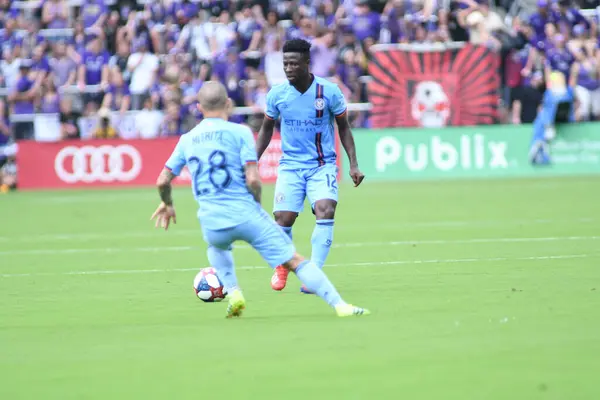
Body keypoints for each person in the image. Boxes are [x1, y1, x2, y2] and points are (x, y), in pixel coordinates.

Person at [150, 81, 369, 319]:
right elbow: (253, 179)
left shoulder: (187, 139)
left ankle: (234, 293)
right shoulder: (240, 132)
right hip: (245, 214)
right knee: (295, 260)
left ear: (199, 108)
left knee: (217, 248)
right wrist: (256, 207)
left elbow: (162, 180)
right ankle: (340, 305)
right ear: (229, 104)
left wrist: (168, 204)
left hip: (211, 220)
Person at [256, 39, 365, 293]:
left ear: (307, 63)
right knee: (284, 218)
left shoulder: (328, 92)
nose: (289, 68)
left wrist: (353, 165)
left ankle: (313, 275)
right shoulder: (277, 94)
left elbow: (344, 127)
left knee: (325, 209)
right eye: (285, 64)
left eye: (294, 63)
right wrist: (251, 163)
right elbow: (265, 130)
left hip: (322, 165)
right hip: (291, 166)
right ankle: (283, 265)